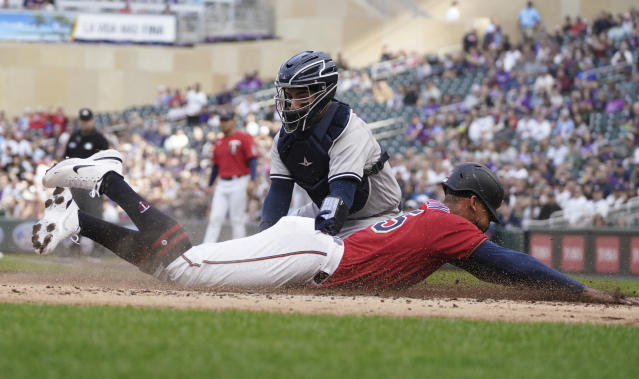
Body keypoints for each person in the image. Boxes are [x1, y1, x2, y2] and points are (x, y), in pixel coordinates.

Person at [32, 154, 637, 305]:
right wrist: (581, 292)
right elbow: (512, 266)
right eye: (488, 215)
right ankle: (111, 183)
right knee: (186, 270)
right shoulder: (453, 226)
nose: (487, 227)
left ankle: (79, 218)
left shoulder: (435, 215)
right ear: (475, 205)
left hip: (311, 249)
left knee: (178, 269)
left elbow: (489, 265)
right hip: (311, 254)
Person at [261, 50, 402, 238]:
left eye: (301, 95)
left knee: (328, 261)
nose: (292, 104)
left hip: (376, 217)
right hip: (323, 211)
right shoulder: (284, 139)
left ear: (324, 91)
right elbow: (279, 192)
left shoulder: (350, 130)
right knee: (277, 238)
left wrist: (322, 237)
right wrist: (264, 238)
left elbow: (341, 192)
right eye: (288, 95)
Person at [203, 110, 258, 242]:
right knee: (215, 217)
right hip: (222, 183)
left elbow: (253, 159)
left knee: (237, 219)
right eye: (222, 120)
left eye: (226, 120)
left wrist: (252, 180)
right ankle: (206, 249)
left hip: (239, 180)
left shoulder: (243, 137)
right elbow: (216, 166)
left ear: (233, 121)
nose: (223, 123)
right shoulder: (219, 142)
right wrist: (210, 184)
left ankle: (239, 252)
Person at [62, 108, 110, 254]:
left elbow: (107, 162)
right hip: (76, 184)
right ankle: (76, 247)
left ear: (92, 121)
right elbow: (66, 159)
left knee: (95, 216)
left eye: (87, 120)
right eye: (82, 121)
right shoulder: (74, 137)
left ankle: (98, 248)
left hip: (93, 184)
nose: (84, 123)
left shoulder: (99, 139)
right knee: (76, 215)